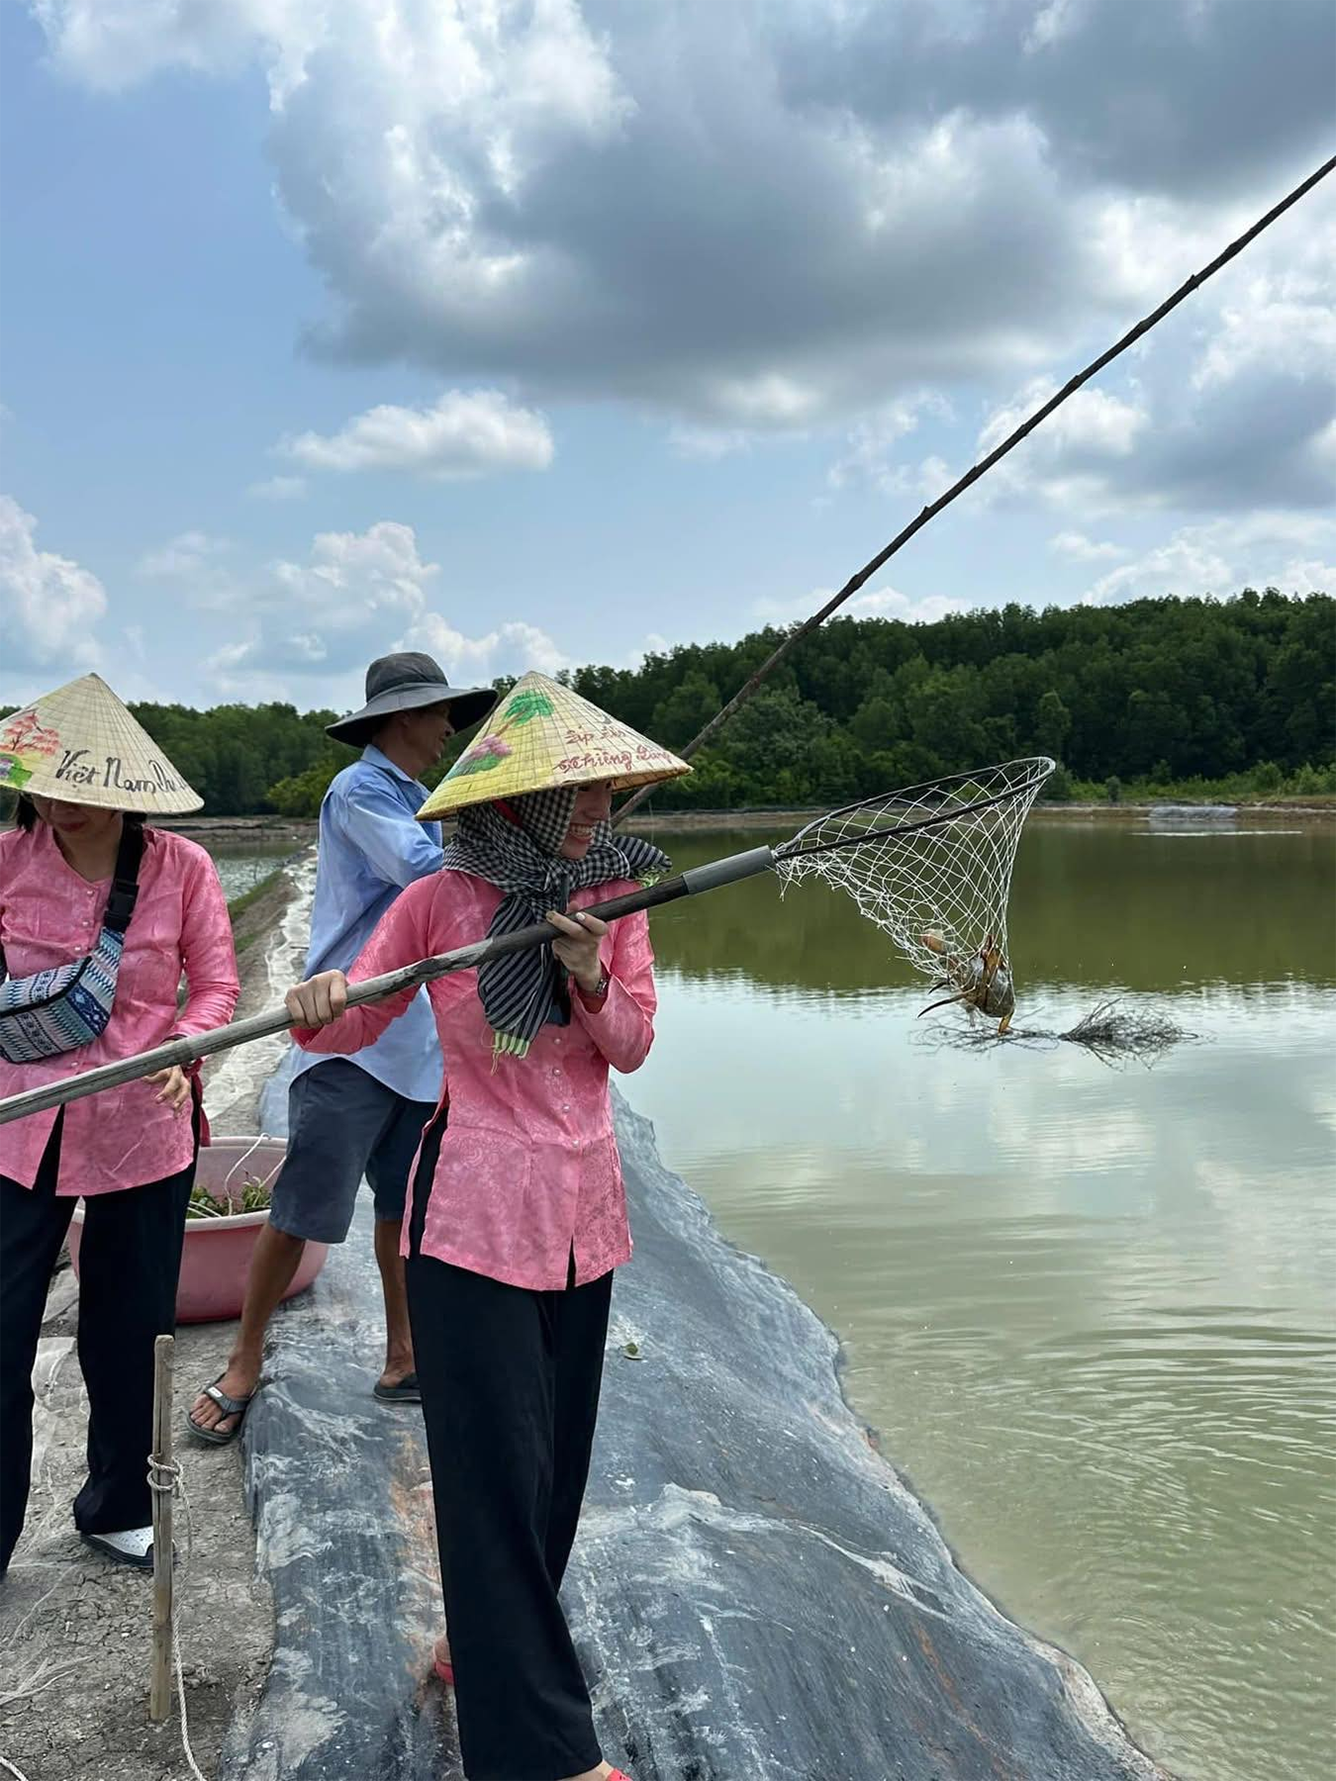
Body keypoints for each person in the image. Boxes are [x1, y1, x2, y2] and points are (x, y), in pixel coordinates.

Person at [284, 671, 689, 1781]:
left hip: (582, 1215)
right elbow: (354, 1016)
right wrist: (323, 998)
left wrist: (590, 972)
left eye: (607, 790)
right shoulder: (440, 904)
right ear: (518, 803)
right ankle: (539, 1749)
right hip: (467, 1220)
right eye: (583, 791)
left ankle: (483, 1644)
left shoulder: (614, 898)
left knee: (554, 1467)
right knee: (492, 1470)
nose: (603, 808)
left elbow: (635, 1045)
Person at [188, 653, 496, 1442]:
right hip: (347, 1038)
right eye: (438, 717)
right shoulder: (361, 790)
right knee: (301, 1211)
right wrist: (505, 843)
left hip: (417, 1044)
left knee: (402, 1210)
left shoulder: (421, 796)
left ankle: (403, 1355)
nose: (446, 732)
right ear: (401, 719)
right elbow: (426, 868)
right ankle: (244, 1359)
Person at [0, 673, 238, 1575]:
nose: (55, 802)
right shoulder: (8, 859)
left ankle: (114, 1505)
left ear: (118, 789)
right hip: (16, 1130)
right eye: (40, 783)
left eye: (75, 785)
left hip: (141, 1126)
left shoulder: (182, 867)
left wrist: (185, 1047)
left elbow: (216, 984)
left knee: (129, 1332)